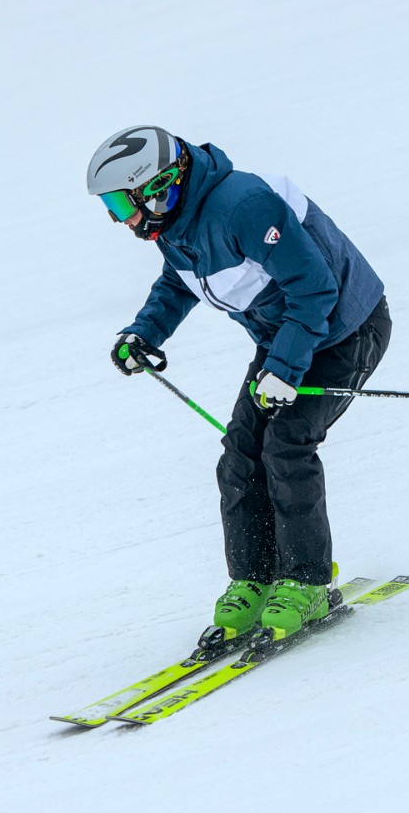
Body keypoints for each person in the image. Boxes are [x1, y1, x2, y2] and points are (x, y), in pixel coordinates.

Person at [87, 126, 392, 640]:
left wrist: (287, 370)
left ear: (158, 185)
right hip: (287, 339)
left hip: (345, 329)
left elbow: (315, 288)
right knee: (239, 454)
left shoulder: (243, 205)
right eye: (112, 209)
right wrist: (145, 332)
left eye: (121, 204)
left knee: (287, 445)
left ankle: (307, 582)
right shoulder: (176, 223)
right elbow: (177, 283)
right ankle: (254, 578)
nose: (122, 220)